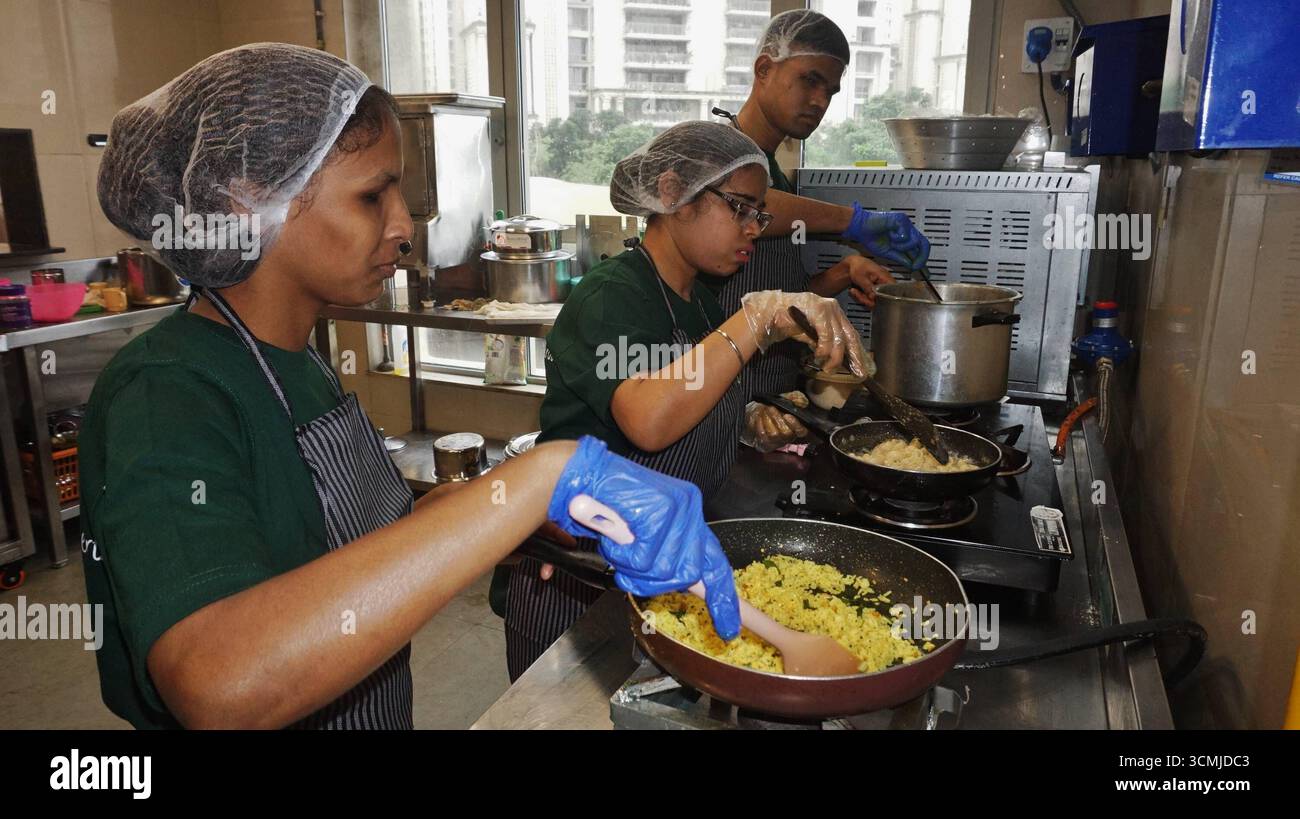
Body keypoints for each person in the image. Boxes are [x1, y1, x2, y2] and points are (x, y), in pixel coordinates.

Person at [80, 43, 739, 729]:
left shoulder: (298, 362)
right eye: (373, 194)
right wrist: (548, 472)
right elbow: (219, 679)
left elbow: (367, 544)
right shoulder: (166, 394)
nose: (403, 226)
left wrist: (512, 517)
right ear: (249, 200)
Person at [503, 121, 869, 679]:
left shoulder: (698, 297)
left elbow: (688, 386)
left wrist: (742, 417)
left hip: (658, 563)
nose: (753, 229)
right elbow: (648, 419)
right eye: (740, 208)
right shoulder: (612, 295)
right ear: (673, 194)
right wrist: (754, 320)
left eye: (760, 215)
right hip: (578, 577)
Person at [708, 8, 932, 399]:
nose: (819, 100)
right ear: (764, 69)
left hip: (774, 397)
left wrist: (845, 272)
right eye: (809, 80)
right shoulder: (713, 152)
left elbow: (781, 300)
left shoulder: (772, 172)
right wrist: (853, 221)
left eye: (829, 90)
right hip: (723, 397)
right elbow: (743, 204)